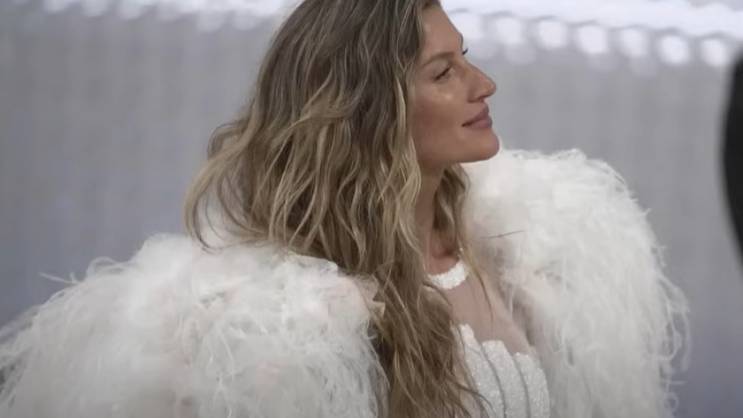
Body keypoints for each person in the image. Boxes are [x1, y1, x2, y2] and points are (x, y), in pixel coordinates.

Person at [0, 1, 689, 417]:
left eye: (466, 58)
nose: (483, 84)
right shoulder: (286, 324)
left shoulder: (516, 258)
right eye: (443, 72)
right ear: (370, 109)